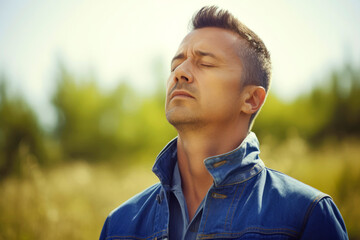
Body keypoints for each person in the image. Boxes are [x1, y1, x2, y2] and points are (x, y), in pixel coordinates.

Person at [100, 6, 348, 240]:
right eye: (175, 65)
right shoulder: (119, 226)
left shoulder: (306, 217)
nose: (179, 72)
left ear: (251, 99)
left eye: (205, 63)